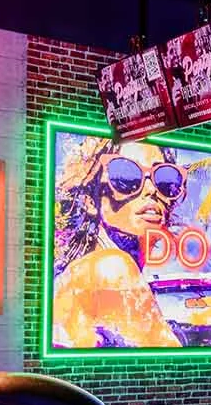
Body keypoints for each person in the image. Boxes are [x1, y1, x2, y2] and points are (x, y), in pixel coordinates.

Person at [52, 140, 184, 348]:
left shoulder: (81, 273)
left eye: (164, 180)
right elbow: (175, 369)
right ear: (90, 200)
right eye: (126, 177)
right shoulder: (110, 268)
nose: (151, 189)